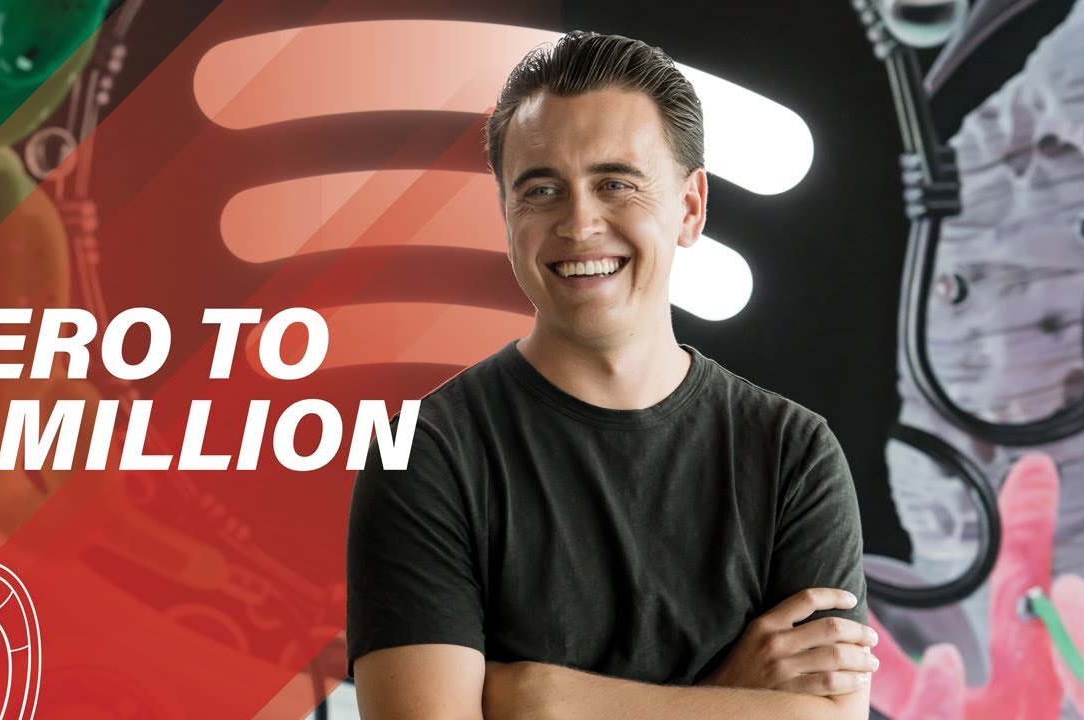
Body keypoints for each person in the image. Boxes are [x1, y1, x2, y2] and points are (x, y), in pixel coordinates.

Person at [346, 31, 877, 719]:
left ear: (690, 208)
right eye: (540, 190)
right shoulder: (426, 455)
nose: (579, 222)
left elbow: (826, 718)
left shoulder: (792, 453)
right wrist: (723, 700)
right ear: (506, 214)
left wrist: (539, 698)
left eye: (615, 183)